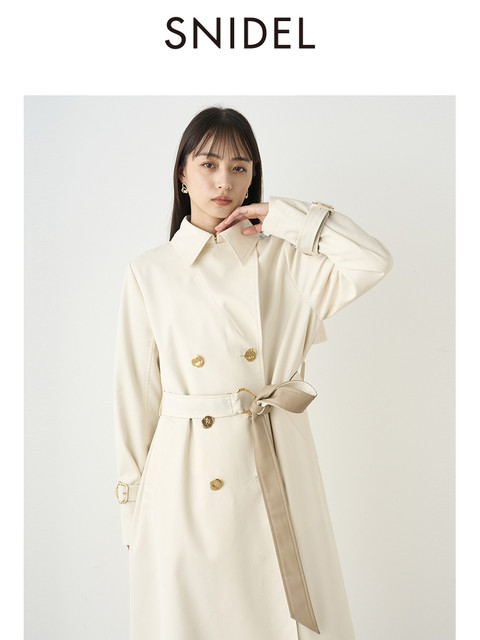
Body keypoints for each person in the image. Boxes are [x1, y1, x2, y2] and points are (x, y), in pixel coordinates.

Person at [113, 106, 394, 640]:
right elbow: (136, 396)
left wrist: (285, 217)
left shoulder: (286, 261)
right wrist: (132, 506)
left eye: (239, 167)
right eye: (208, 164)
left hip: (275, 458)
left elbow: (372, 261)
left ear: (253, 178)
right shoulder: (149, 271)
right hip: (184, 476)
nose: (224, 181)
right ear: (182, 174)